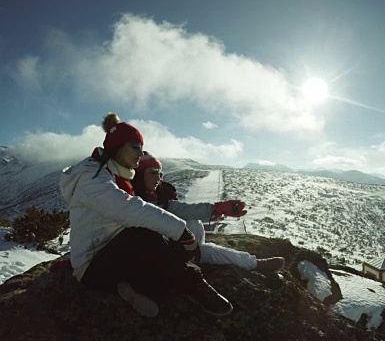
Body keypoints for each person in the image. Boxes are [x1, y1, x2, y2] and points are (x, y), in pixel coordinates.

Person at [59, 113, 237, 318]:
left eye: (141, 147)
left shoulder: (113, 175)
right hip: (92, 266)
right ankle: (193, 285)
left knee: (157, 248)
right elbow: (127, 209)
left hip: (112, 256)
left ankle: (127, 287)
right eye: (135, 146)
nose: (140, 153)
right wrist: (182, 232)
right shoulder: (92, 177)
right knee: (143, 234)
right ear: (117, 146)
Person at [131, 153, 285, 272]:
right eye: (154, 171)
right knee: (209, 250)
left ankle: (252, 263)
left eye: (161, 173)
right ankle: (255, 264)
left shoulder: (160, 199)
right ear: (140, 173)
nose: (159, 177)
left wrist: (217, 209)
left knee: (193, 223)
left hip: (184, 247)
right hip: (161, 253)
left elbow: (184, 209)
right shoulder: (132, 202)